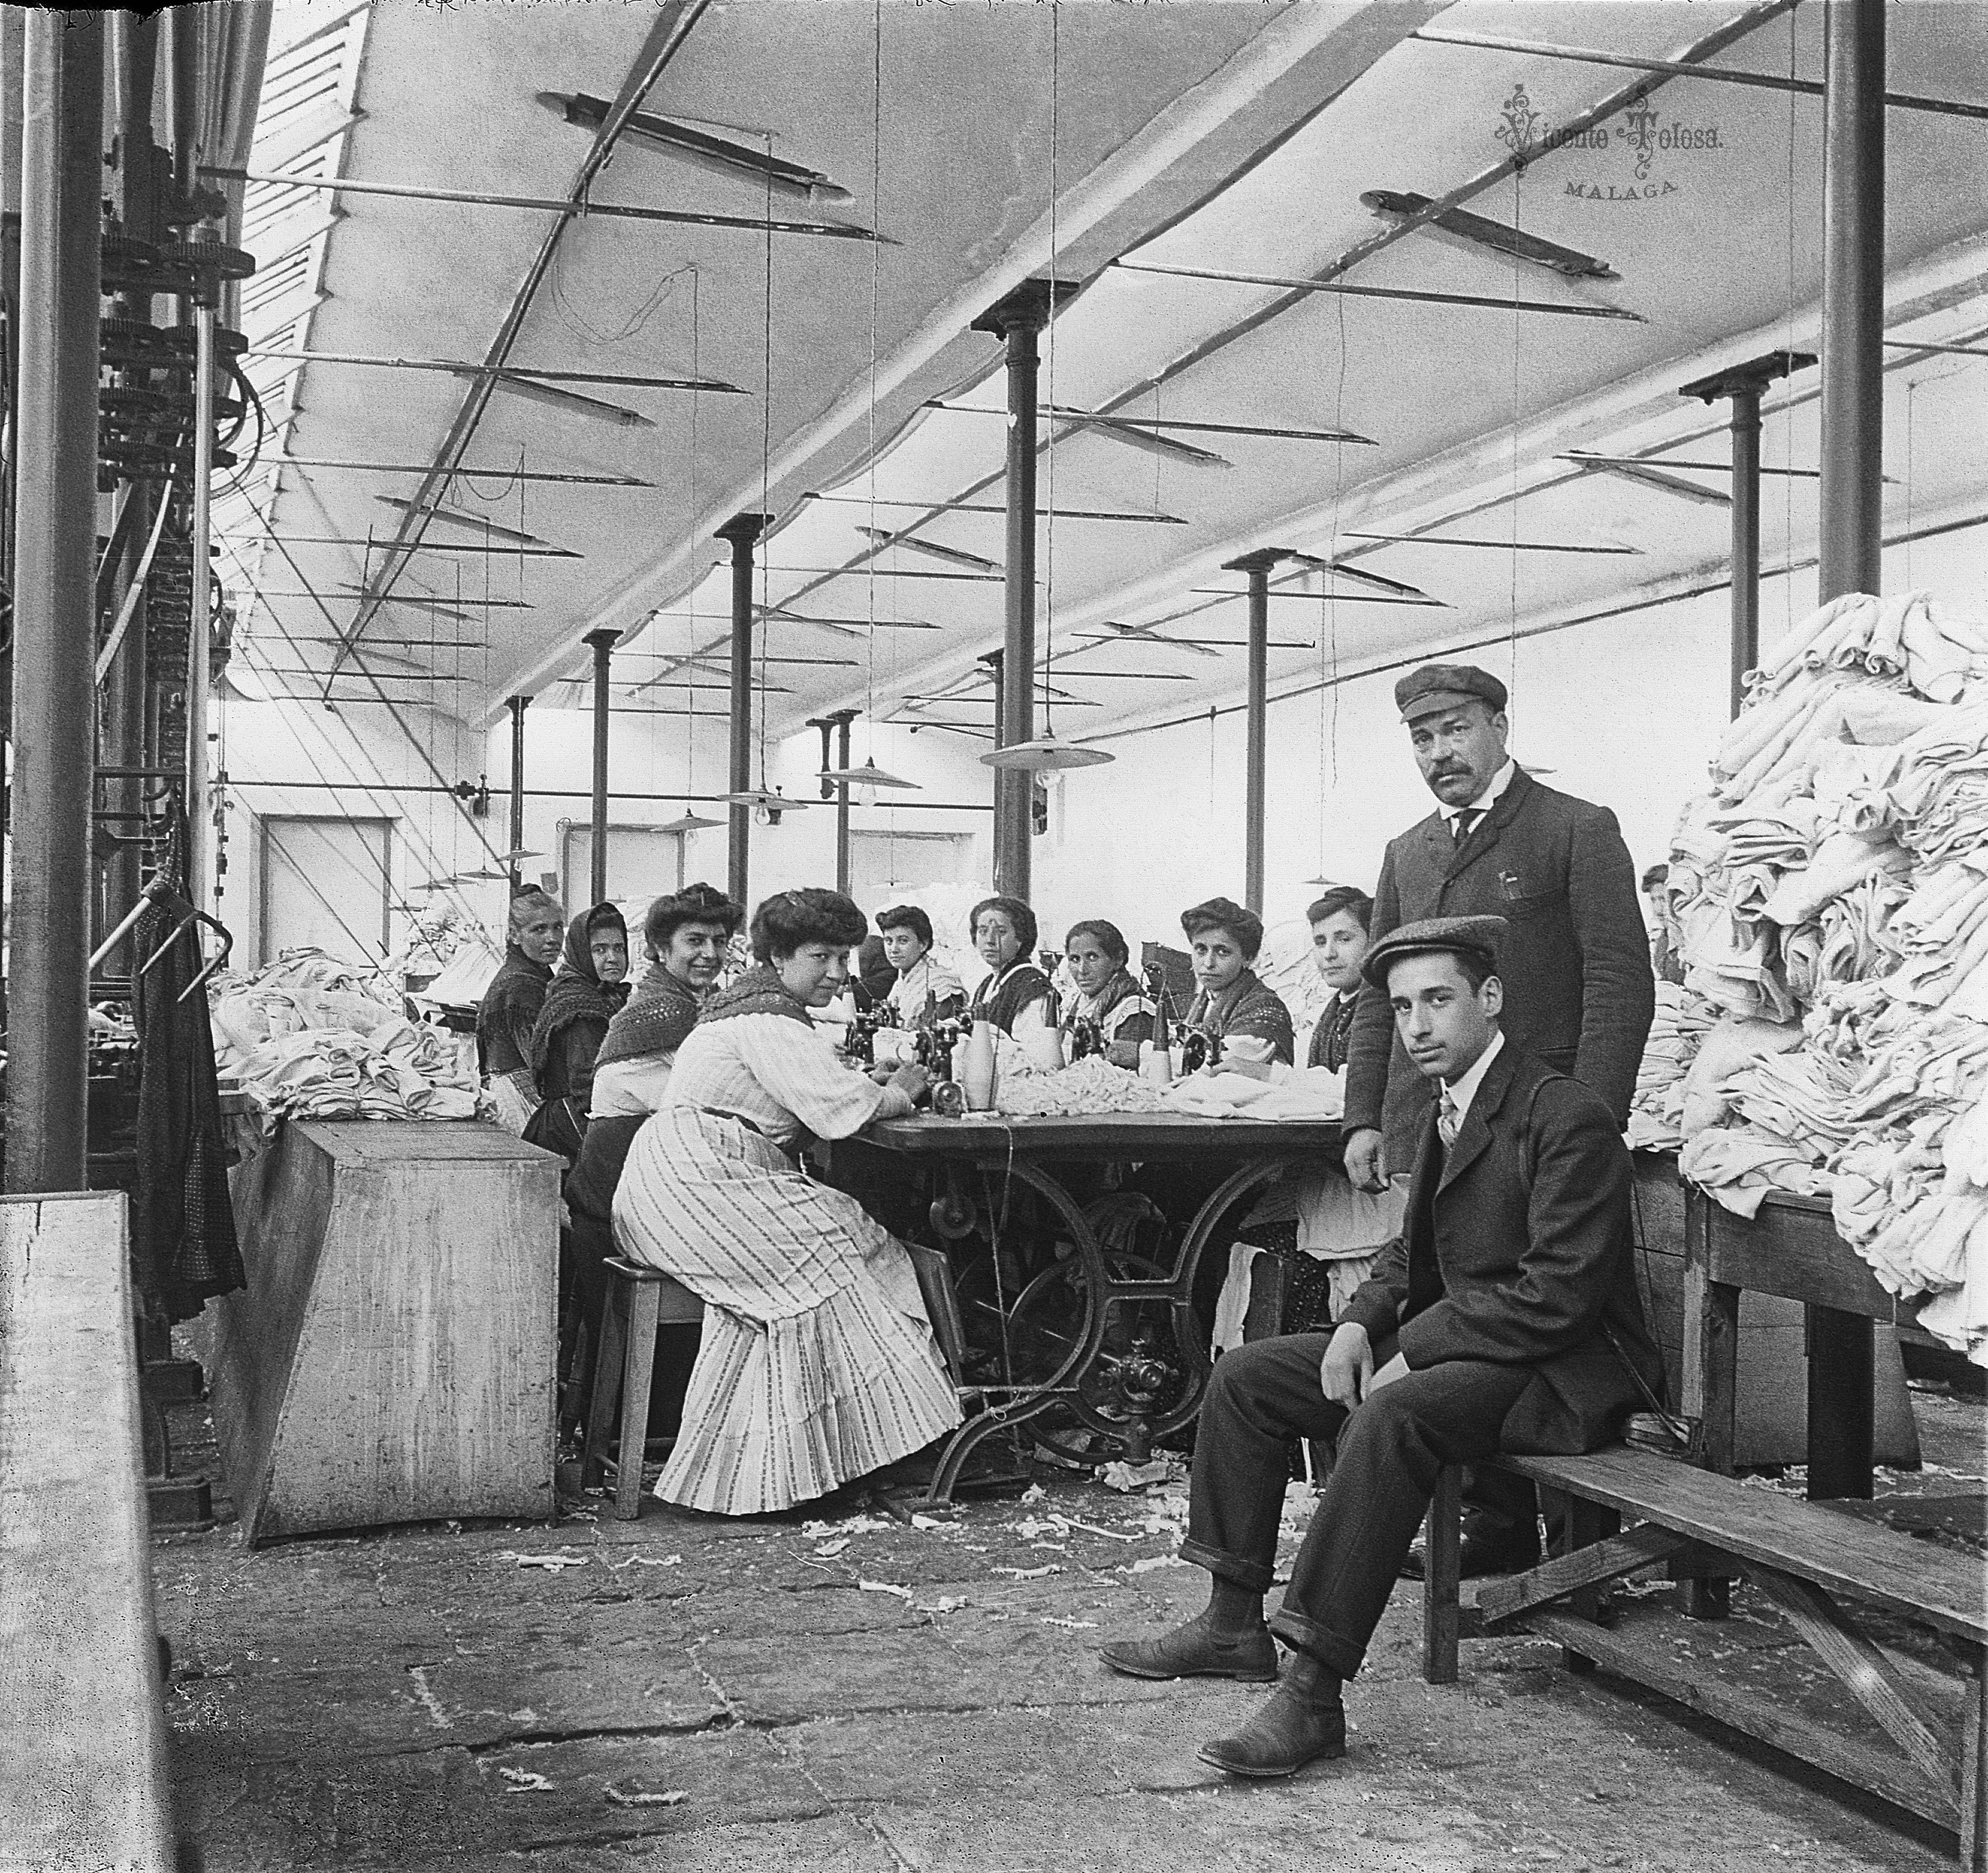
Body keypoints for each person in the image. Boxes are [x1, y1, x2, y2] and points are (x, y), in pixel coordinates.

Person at [1099, 916, 1661, 1780]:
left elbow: (1558, 1296)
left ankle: (1312, 1695)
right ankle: (1230, 1622)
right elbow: (1411, 1253)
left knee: (1393, 1413)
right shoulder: (1450, 1104)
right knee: (1250, 1376)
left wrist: (1418, 1348)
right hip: (1481, 1350)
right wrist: (1362, 1322)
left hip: (1563, 1372)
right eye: (1401, 1008)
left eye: (1437, 1000)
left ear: (1491, 998)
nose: (1418, 1026)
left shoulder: (1563, 1116)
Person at [1342, 664, 1654, 1572]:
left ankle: (1566, 1547)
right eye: (1421, 736)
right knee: (1448, 1299)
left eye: (1456, 730)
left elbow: (1616, 977)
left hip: (1539, 1133)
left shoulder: (1573, 829)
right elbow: (1378, 998)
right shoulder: (1407, 850)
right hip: (1443, 1123)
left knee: (1535, 1314)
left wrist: (1586, 1118)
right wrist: (1367, 1115)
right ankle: (1493, 1523)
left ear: (1500, 726)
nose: (1440, 752)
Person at [611, 888, 963, 1515]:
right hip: (702, 1184)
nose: (836, 973)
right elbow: (839, 1111)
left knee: (843, 1239)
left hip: (673, 1181)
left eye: (845, 958)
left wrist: (863, 1085)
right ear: (777, 957)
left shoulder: (746, 1009)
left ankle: (806, 1456)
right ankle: (891, 1442)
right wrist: (905, 1088)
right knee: (854, 1247)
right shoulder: (770, 1018)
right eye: (821, 957)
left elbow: (817, 1089)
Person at [1213, 886, 1404, 1348]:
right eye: (1319, 942)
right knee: (1228, 1225)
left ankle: (1285, 1371)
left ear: (1374, 940)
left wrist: (1268, 1077)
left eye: (1343, 939)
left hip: (1381, 1180)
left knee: (1262, 1239)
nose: (1328, 954)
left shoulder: (1383, 1012)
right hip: (1334, 1171)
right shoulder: (1336, 1011)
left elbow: (1351, 1091)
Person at [591, 882, 742, 1119]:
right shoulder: (664, 1009)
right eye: (695, 941)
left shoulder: (698, 999)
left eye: (720, 942)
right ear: (662, 949)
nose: (711, 954)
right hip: (629, 1147)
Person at [527, 903, 631, 1125]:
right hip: (574, 1122)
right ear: (581, 952)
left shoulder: (603, 995)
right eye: (600, 950)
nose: (612, 958)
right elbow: (588, 1088)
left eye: (619, 948)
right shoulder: (582, 1008)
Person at [478, 888, 565, 1133]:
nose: (552, 938)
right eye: (539, 929)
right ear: (516, 935)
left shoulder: (535, 975)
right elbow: (542, 1063)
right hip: (520, 1100)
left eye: (557, 927)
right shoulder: (521, 986)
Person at [1179, 896, 1295, 1067]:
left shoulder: (1264, 1009)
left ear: (1248, 958)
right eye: (1201, 950)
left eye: (1223, 951)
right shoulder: (1206, 1001)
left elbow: (1215, 1067)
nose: (1208, 963)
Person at [1060, 919, 1153, 1069]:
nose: (1082, 970)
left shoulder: (1133, 1010)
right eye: (1075, 959)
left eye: (1092, 957)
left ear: (1117, 960)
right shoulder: (1076, 1001)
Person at [967, 895, 1054, 1036]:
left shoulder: (1031, 986)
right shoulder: (988, 983)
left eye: (1001, 932)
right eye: (983, 931)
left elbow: (1032, 1047)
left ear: (1021, 938)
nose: (990, 940)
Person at [876, 903, 967, 1029]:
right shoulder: (901, 982)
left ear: (923, 944)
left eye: (903, 941)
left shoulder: (941, 984)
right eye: (889, 941)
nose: (894, 950)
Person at [1642, 862, 1686, 986]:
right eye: (1653, 900)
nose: (1658, 908)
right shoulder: (1659, 937)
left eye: (1663, 899)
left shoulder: (1689, 936)